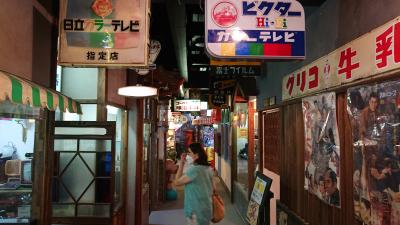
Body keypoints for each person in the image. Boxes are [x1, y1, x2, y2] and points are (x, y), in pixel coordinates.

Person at [174, 143, 214, 225]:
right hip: (207, 206)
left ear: (196, 155)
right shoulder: (209, 168)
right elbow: (214, 188)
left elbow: (177, 182)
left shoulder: (194, 170)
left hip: (195, 209)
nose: (188, 155)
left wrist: (181, 163)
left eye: (189, 153)